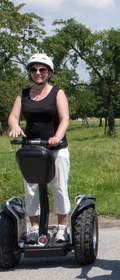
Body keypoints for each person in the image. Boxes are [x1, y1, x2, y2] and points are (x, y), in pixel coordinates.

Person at [7, 53, 71, 243]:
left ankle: (62, 227)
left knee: (59, 187)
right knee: (31, 188)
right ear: (30, 72)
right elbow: (13, 116)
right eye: (33, 69)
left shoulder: (57, 92)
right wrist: (15, 126)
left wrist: (57, 137)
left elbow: (65, 118)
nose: (38, 73)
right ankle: (34, 228)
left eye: (42, 69)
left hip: (55, 148)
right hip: (32, 150)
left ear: (49, 72)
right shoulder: (23, 94)